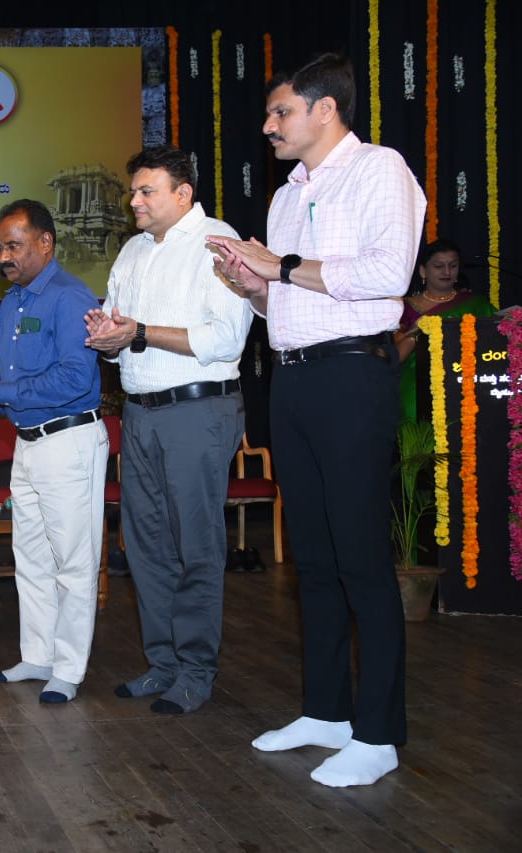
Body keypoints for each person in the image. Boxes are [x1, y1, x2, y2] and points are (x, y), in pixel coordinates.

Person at [207, 53, 426, 787]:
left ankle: (379, 733)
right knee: (314, 558)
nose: (269, 127)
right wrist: (252, 283)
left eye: (281, 113)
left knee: (362, 555)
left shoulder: (378, 170)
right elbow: (285, 301)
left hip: (352, 375)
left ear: (325, 109)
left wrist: (280, 265)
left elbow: (388, 275)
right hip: (294, 377)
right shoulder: (285, 195)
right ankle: (327, 712)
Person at [83, 146, 253, 714]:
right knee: (147, 545)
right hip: (139, 412)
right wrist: (108, 336)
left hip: (197, 411)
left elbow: (224, 340)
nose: (133, 201)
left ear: (183, 194)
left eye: (146, 191)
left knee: (195, 545)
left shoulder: (219, 243)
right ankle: (163, 664)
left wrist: (139, 332)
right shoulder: (132, 250)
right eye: (133, 191)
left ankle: (197, 670)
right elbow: (123, 334)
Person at [0, 199, 108, 705]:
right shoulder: (15, 302)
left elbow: (75, 377)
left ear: (46, 242)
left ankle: (69, 668)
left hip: (69, 442)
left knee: (73, 562)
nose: (4, 256)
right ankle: (38, 655)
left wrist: (0, 392)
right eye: (0, 247)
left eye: (14, 246)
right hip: (28, 442)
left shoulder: (69, 296)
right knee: (32, 557)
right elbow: (22, 379)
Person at [395, 238, 497, 423]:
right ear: (423, 271)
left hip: (464, 382)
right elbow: (396, 356)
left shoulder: (475, 303)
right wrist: (417, 331)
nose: (447, 272)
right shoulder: (404, 308)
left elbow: (496, 338)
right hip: (416, 385)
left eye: (453, 265)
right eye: (439, 266)